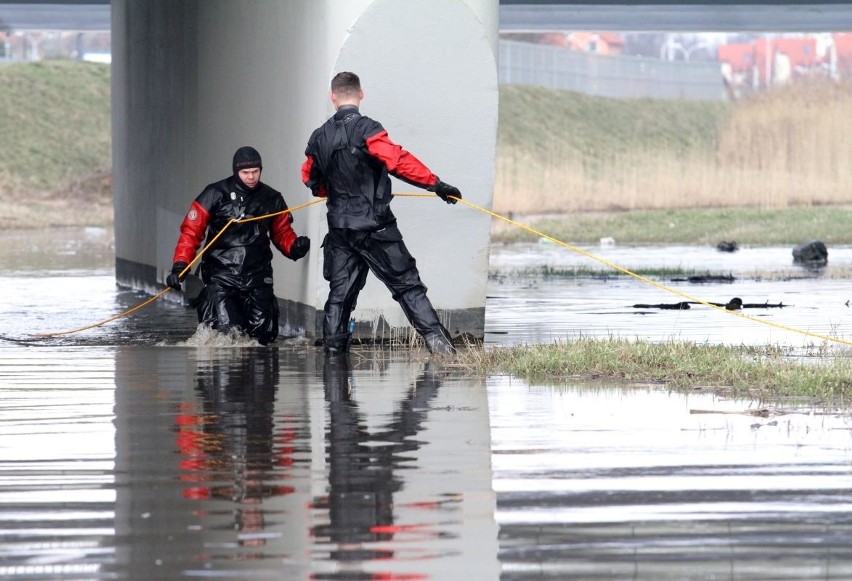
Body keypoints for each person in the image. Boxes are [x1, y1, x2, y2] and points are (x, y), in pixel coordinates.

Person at [301, 71, 461, 356]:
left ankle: (333, 366)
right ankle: (444, 352)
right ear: (361, 94)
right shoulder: (367, 129)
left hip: (340, 231)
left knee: (339, 297)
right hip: (376, 229)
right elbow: (397, 161)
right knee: (408, 287)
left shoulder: (318, 137)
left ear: (332, 97)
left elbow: (310, 179)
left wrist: (332, 191)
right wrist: (435, 184)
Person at [167, 146, 310, 345]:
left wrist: (294, 247)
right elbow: (191, 232)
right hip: (222, 277)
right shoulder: (214, 194)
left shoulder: (272, 198)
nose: (251, 177)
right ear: (236, 172)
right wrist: (181, 265)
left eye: (255, 172)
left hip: (258, 276)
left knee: (263, 337)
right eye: (245, 172)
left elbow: (282, 232)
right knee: (226, 335)